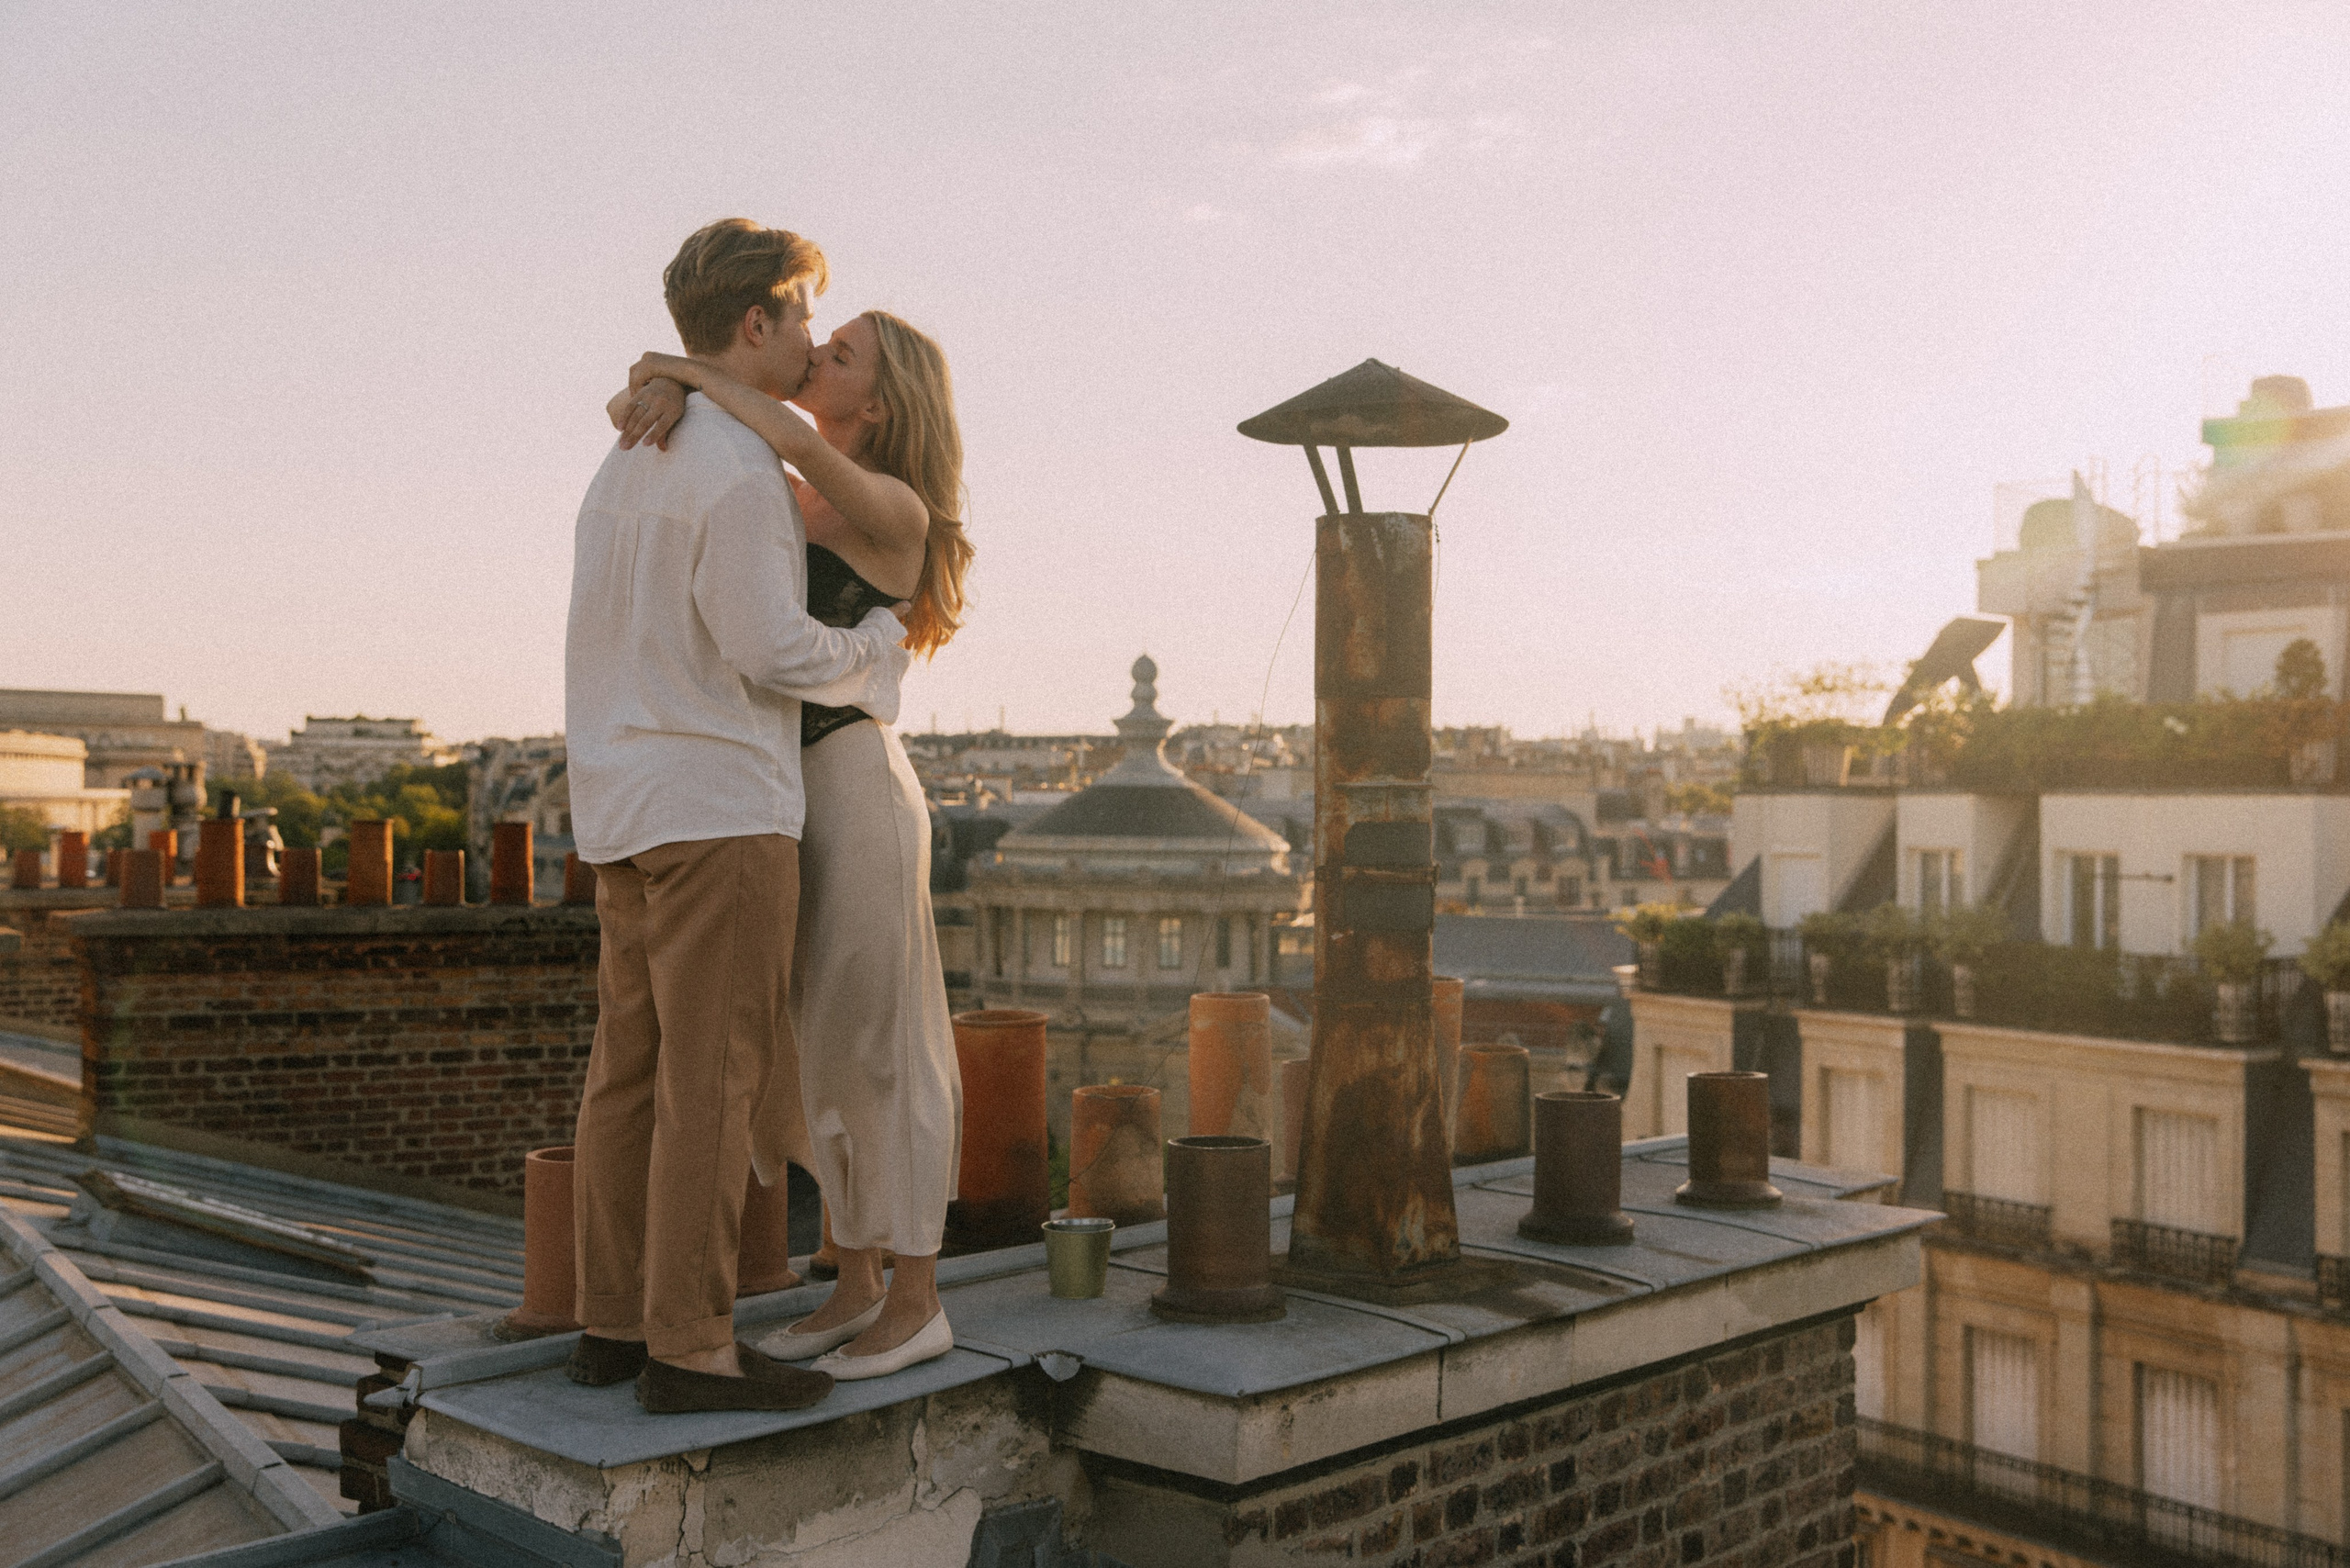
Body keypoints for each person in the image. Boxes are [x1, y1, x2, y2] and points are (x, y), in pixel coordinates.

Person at [565, 218, 912, 1413]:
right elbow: (769, 647)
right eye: (806, 313)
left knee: (628, 1075)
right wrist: (873, 653)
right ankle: (693, 1347)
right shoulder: (735, 467)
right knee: (710, 1084)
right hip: (718, 804)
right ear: (756, 323)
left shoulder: (631, 454)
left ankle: (611, 1326)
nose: (814, 335)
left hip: (620, 804)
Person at [610, 308, 971, 1380]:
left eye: (843, 355)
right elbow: (654, 415)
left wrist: (682, 370)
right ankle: (854, 1276)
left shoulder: (889, 502)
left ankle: (918, 1295)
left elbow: (790, 432)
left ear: (882, 401)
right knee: (816, 1037)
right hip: (785, 787)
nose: (819, 357)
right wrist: (661, 385)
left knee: (886, 1038)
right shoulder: (782, 480)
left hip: (855, 782)